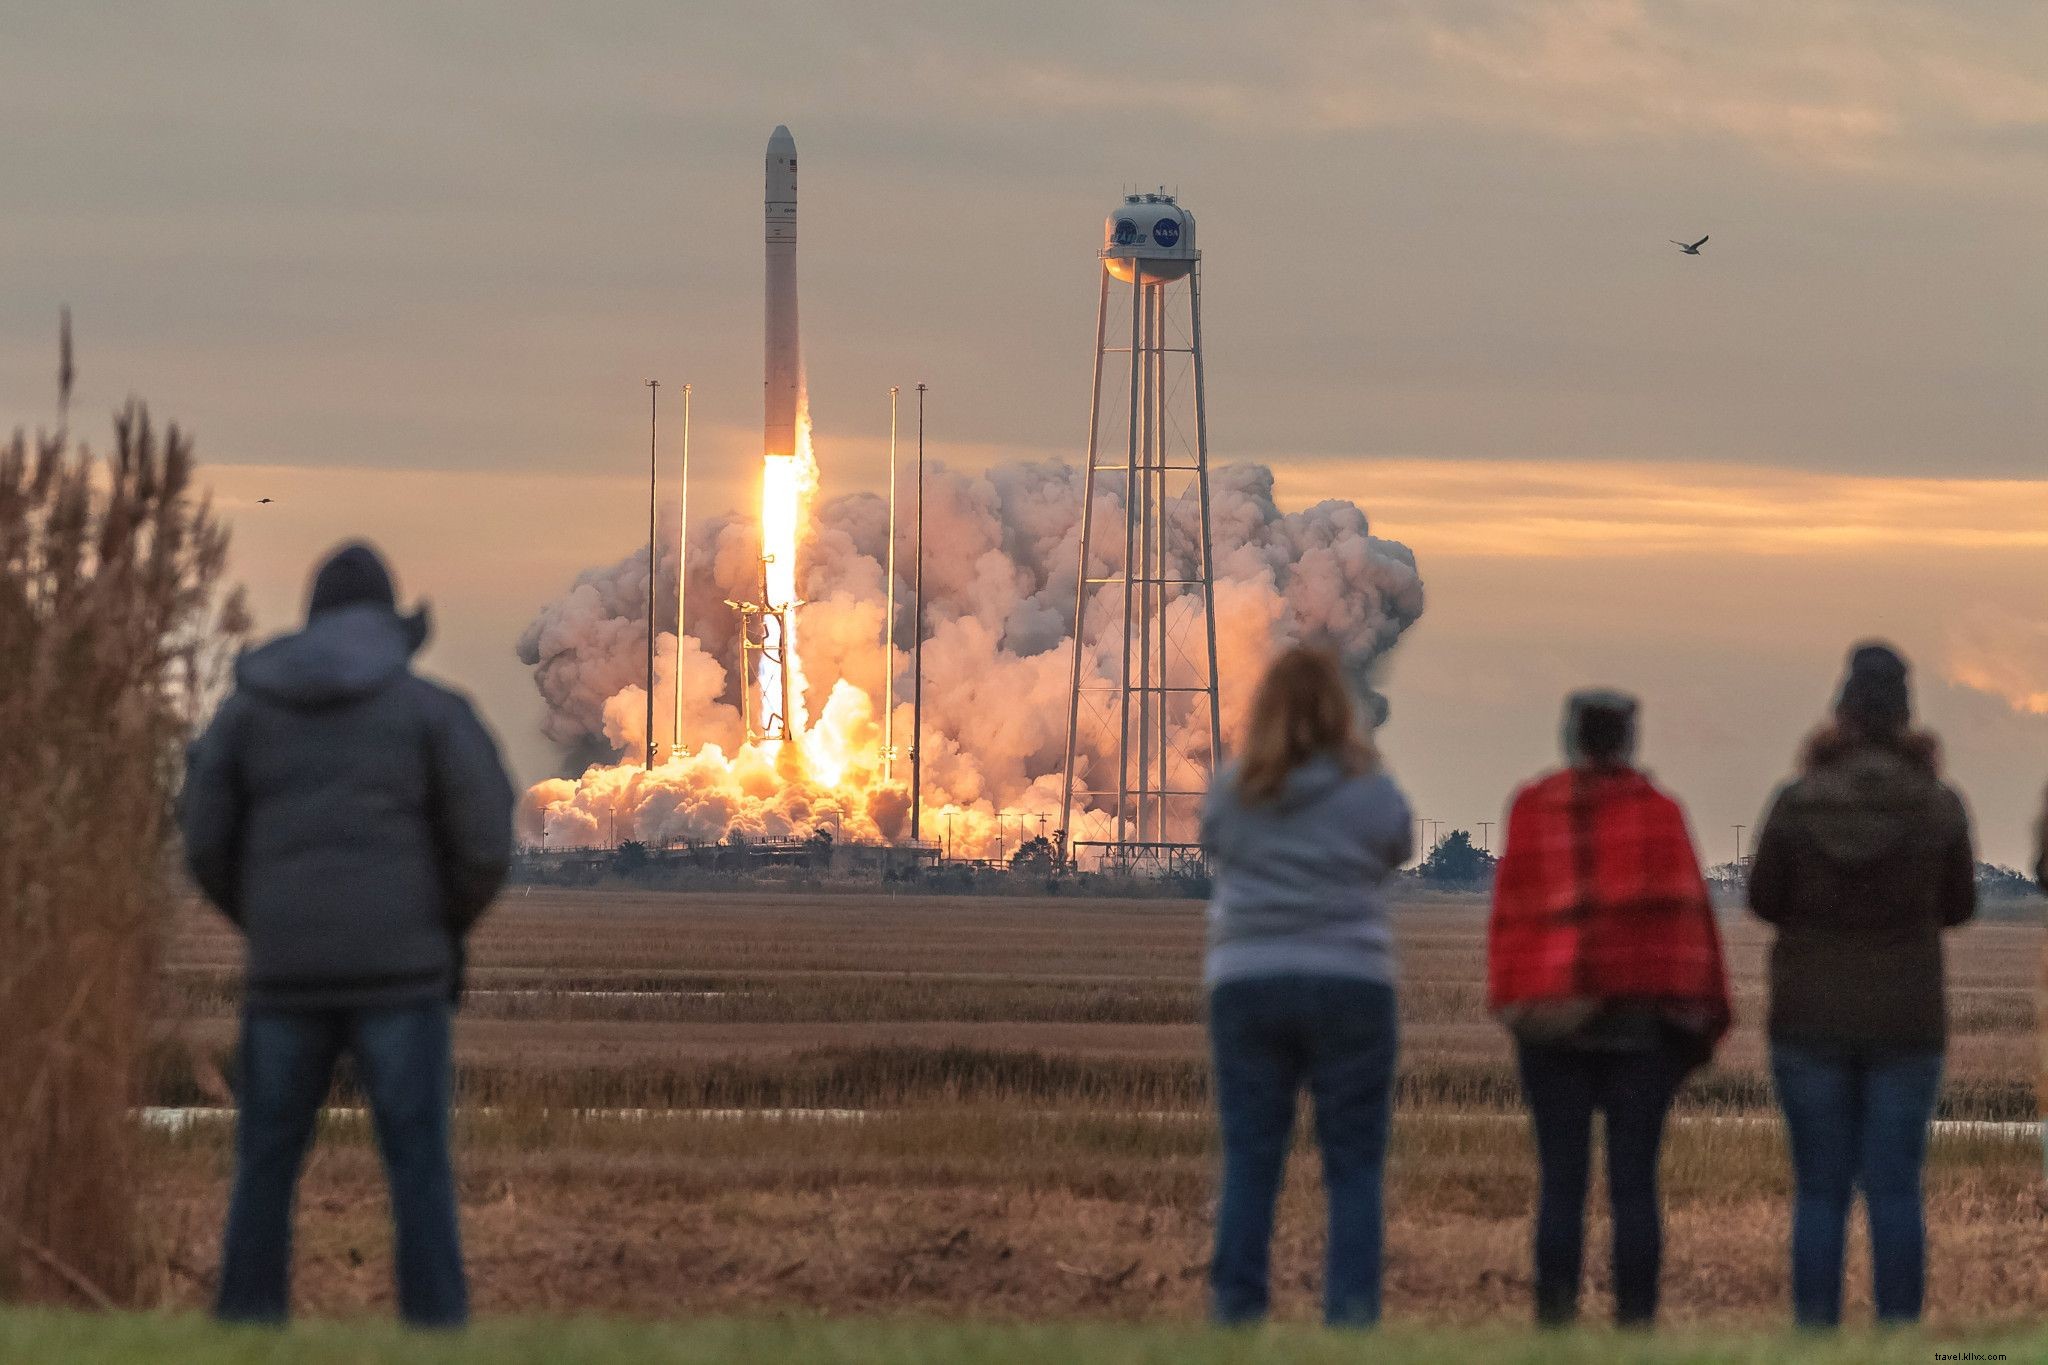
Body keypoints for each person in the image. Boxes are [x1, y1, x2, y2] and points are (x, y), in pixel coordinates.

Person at [181, 543, 515, 1327]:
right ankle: (434, 1330)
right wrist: (440, 927)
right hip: (403, 979)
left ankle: (248, 1327)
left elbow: (202, 837)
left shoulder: (246, 712)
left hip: (285, 979)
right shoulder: (433, 713)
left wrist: (264, 917)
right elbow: (484, 842)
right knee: (418, 1172)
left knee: (264, 1168)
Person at [1488, 690, 1731, 1329]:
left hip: (1552, 1027)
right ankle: (1635, 1328)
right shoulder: (1659, 814)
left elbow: (1511, 920)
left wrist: (1522, 997)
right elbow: (1690, 924)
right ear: (1629, 740)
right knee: (1634, 1187)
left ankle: (1555, 1326)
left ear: (1572, 737)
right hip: (1642, 1034)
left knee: (1560, 1186)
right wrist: (1700, 1019)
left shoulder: (1533, 809)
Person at [1749, 642, 1974, 1329]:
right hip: (1906, 1024)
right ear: (1905, 715)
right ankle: (1898, 1338)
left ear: (1841, 710)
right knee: (1896, 1190)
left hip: (1808, 1020)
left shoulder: (1796, 801)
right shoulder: (1938, 805)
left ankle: (1815, 1338)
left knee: (1820, 1192)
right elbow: (1960, 905)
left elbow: (1763, 897)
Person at [1198, 646, 1413, 1327]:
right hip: (1351, 981)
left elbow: (1215, 842)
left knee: (1251, 1159)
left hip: (1248, 981)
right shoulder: (1371, 790)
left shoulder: (1234, 789)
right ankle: (1350, 1321)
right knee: (1352, 1166)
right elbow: (1396, 845)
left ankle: (1236, 1316)